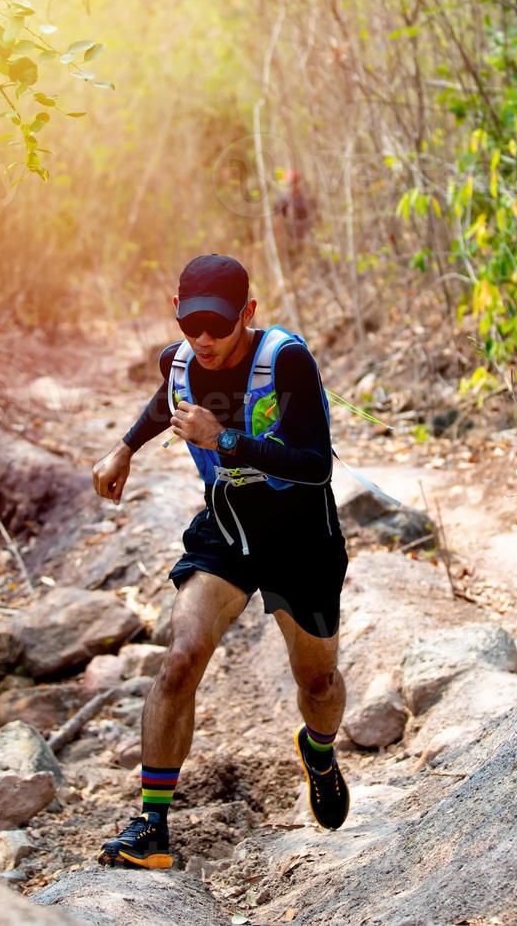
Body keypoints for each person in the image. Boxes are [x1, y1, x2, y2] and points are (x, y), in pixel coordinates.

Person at [89, 254, 350, 870]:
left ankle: (318, 751)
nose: (203, 340)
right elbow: (167, 399)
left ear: (248, 314)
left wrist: (224, 439)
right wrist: (124, 448)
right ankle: (151, 827)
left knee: (317, 682)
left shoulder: (286, 360)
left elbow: (317, 464)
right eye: (192, 326)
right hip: (226, 529)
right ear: (176, 315)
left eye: (219, 327)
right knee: (181, 658)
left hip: (300, 537)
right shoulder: (179, 359)